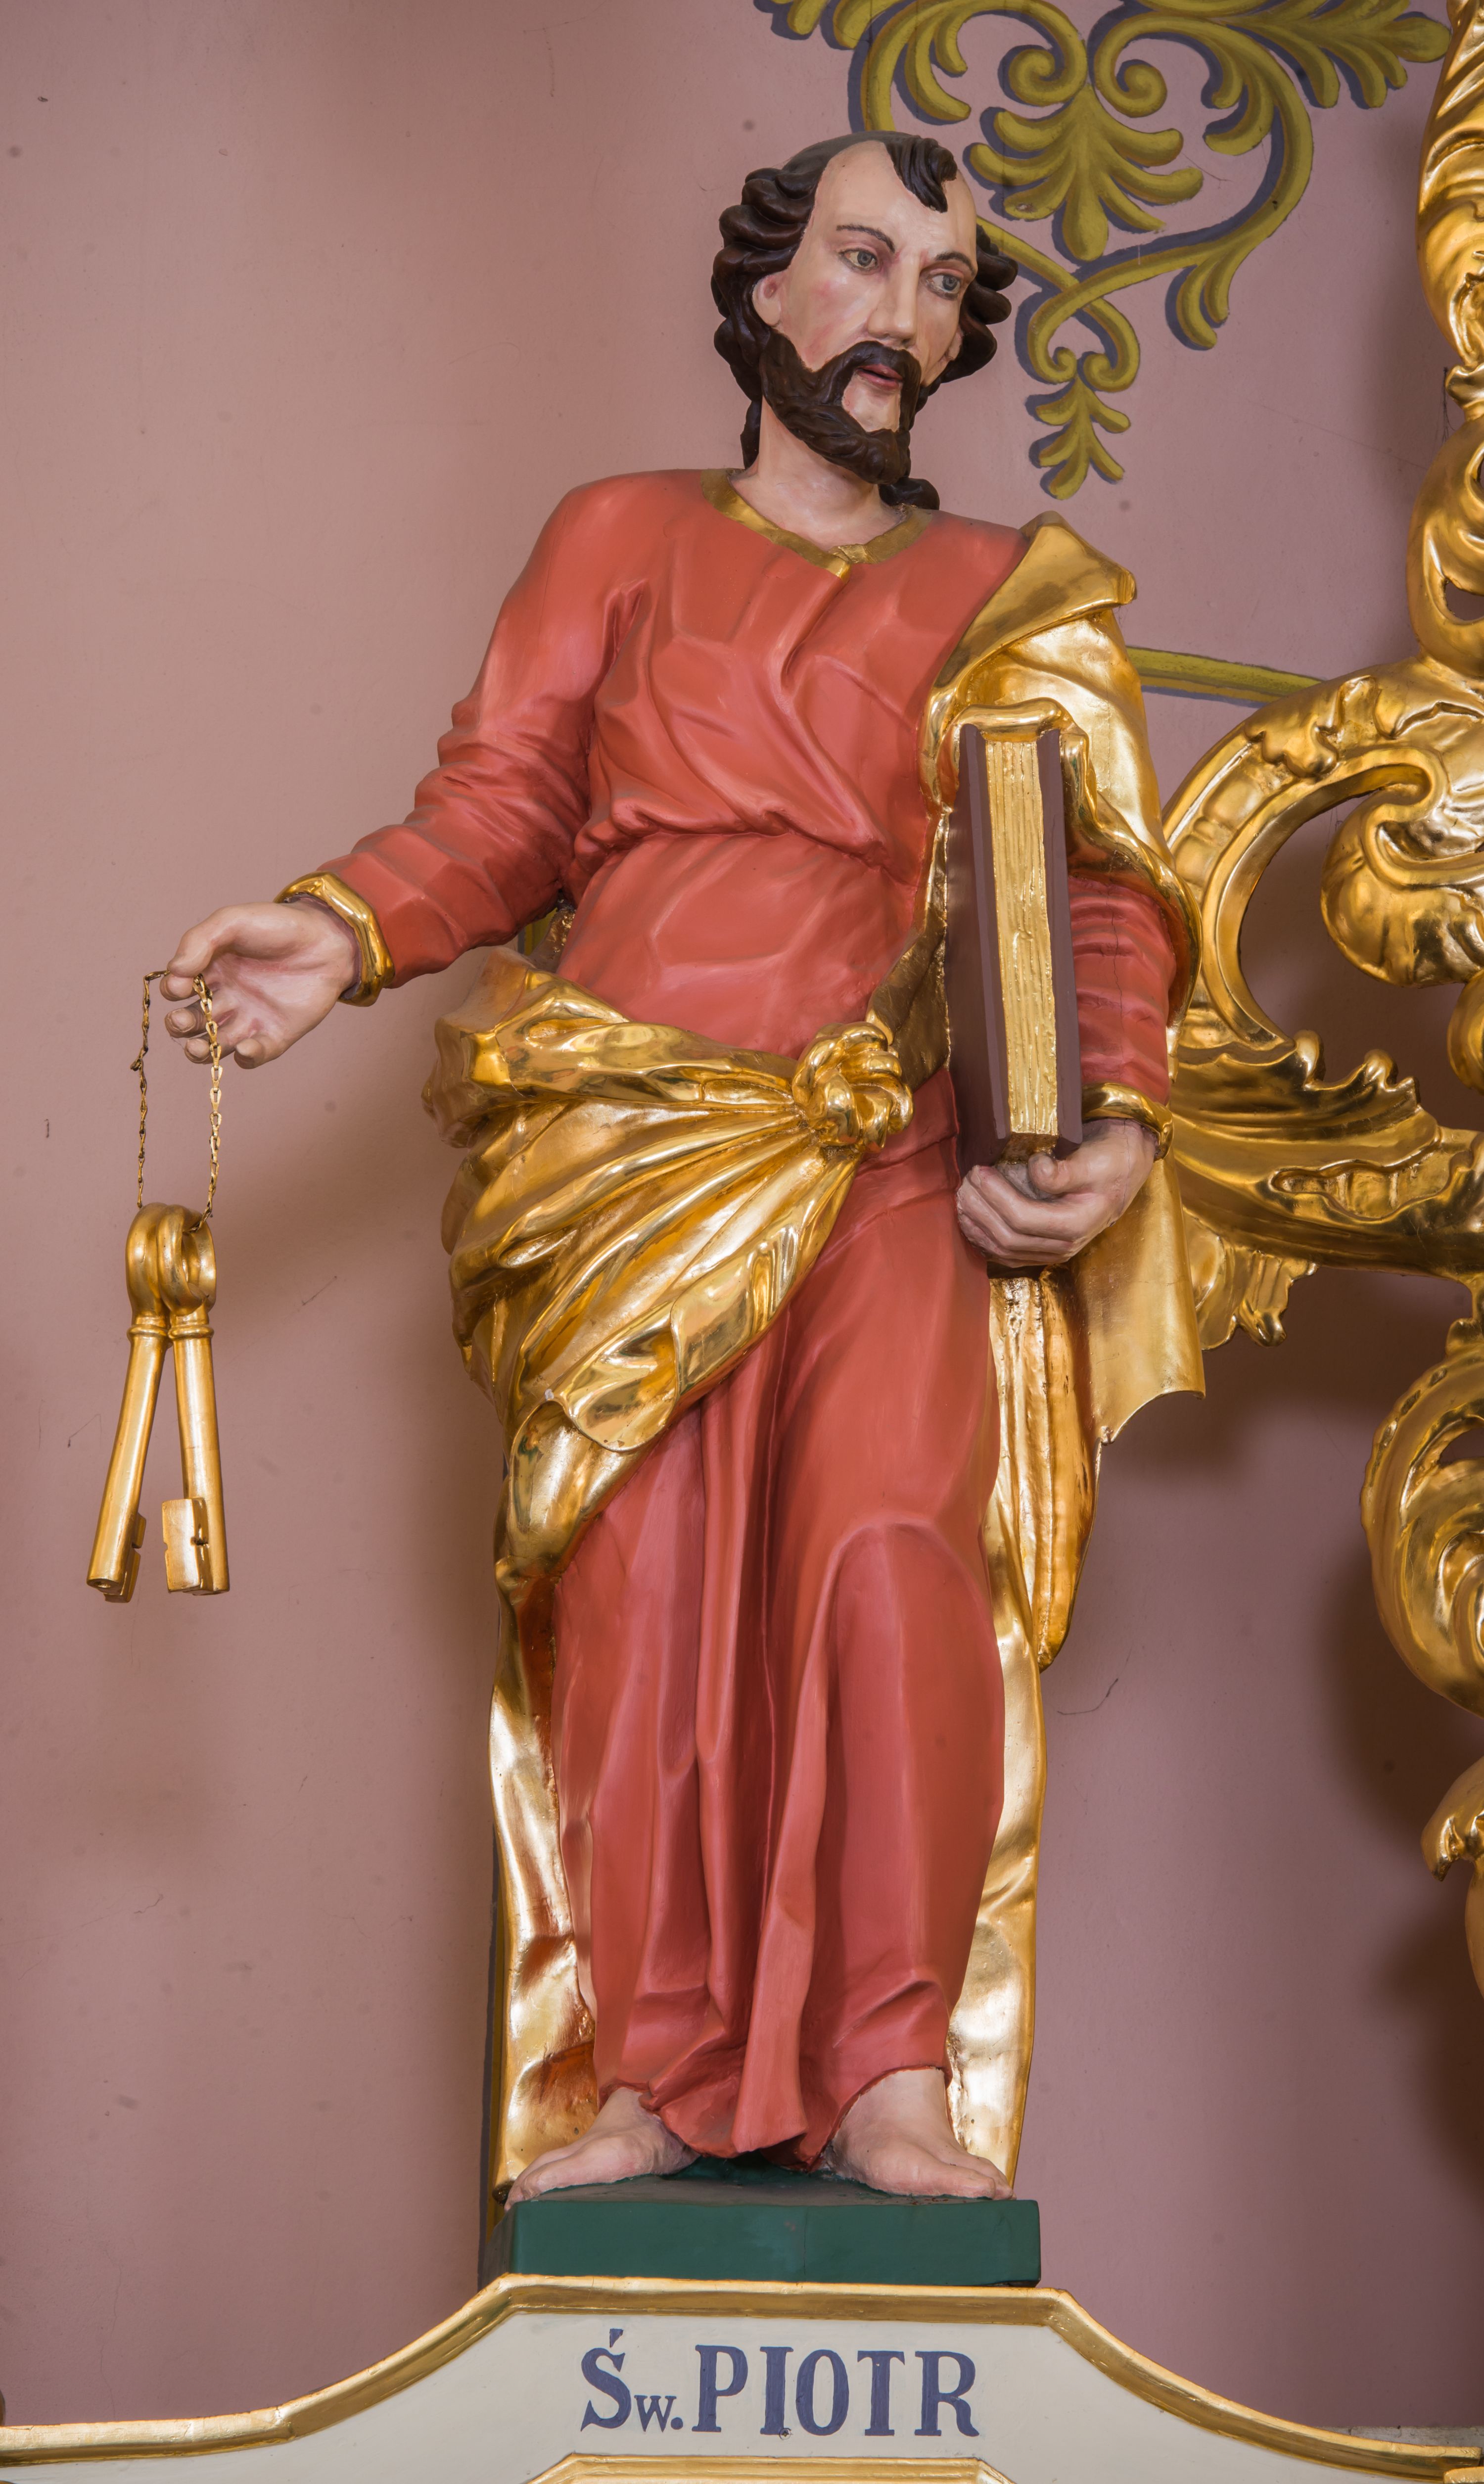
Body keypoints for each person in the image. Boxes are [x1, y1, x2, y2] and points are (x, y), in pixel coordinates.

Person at [161, 133, 1188, 2203]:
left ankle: (892, 2070)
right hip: (625, 1138)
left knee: (891, 1553)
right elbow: (499, 808)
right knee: (639, 1579)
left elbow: (1095, 899)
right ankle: (641, 2068)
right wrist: (342, 928)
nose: (898, 316)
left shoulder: (1012, 594)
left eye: (940, 284)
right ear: (768, 291)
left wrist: (1117, 1122)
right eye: (863, 260)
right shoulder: (619, 534)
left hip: (890, 1137)